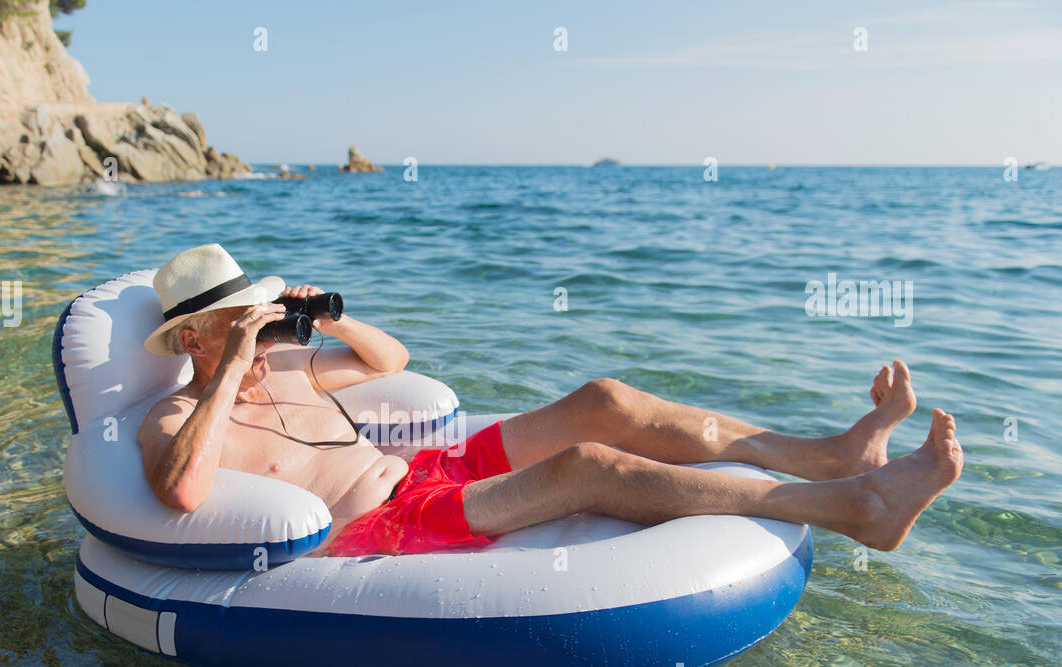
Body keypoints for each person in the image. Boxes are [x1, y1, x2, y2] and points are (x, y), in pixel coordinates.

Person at [138, 244, 962, 558]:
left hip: (424, 470)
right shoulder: (174, 417)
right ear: (193, 339)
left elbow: (392, 358)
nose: (252, 331)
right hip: (384, 524)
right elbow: (183, 487)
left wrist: (330, 318)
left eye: (248, 313)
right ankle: (853, 507)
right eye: (229, 322)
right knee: (589, 465)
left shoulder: (294, 370)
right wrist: (236, 356)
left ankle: (832, 453)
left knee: (603, 399)